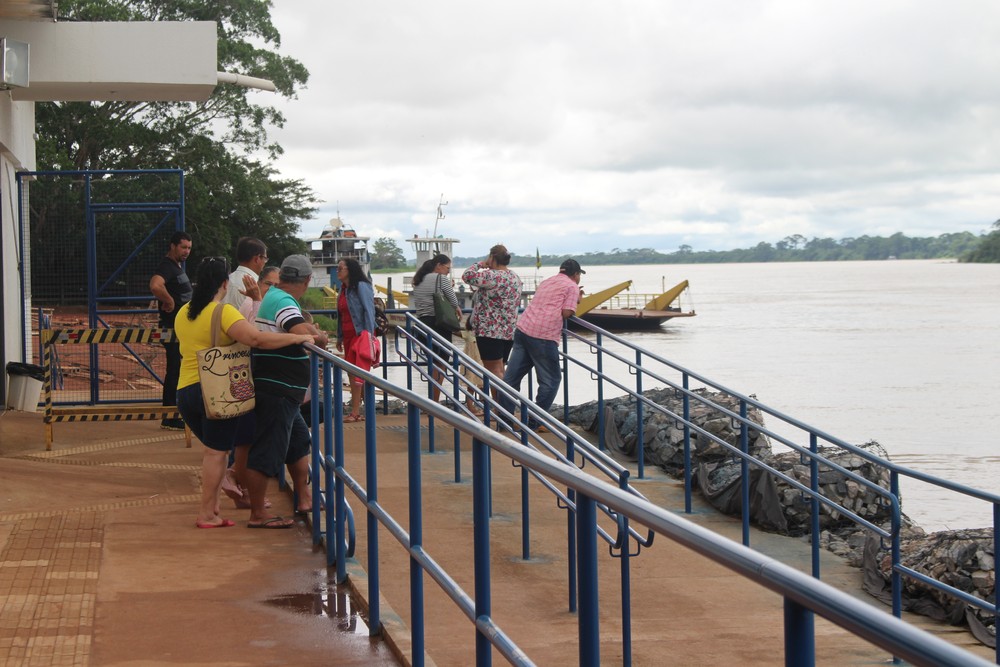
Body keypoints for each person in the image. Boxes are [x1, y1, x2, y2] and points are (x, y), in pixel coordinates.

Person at [173, 257, 317, 529]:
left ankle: (214, 510)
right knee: (216, 454)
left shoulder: (184, 312)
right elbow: (257, 339)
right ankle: (207, 513)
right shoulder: (223, 312)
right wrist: (298, 337)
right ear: (225, 283)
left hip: (185, 391)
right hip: (213, 392)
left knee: (217, 450)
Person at [246, 255, 329, 527]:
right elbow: (307, 334)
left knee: (297, 445)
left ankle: (305, 497)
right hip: (278, 388)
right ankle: (258, 514)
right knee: (268, 450)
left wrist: (310, 332)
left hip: (284, 390)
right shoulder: (282, 301)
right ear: (307, 280)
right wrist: (320, 335)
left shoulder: (275, 295)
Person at [501, 259, 584, 431]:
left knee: (511, 379)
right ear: (575, 275)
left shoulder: (548, 281)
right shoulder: (572, 286)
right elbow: (567, 313)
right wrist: (577, 299)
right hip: (543, 335)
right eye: (579, 275)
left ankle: (504, 420)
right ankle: (533, 422)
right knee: (551, 380)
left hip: (523, 329)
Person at [461, 244, 523, 386]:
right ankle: (504, 404)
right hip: (508, 330)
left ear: (493, 257)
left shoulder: (491, 276)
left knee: (493, 371)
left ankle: (501, 405)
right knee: (500, 368)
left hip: (489, 331)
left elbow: (467, 275)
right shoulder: (514, 277)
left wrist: (480, 264)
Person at [149, 231, 192, 430]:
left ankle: (174, 413)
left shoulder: (176, 267)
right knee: (174, 370)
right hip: (172, 329)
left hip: (181, 329)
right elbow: (156, 285)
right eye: (183, 247)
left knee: (178, 370)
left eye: (189, 248)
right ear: (173, 246)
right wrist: (169, 300)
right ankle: (169, 415)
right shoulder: (166, 266)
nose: (186, 251)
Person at [410, 254, 462, 404]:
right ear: (439, 265)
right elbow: (452, 300)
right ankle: (434, 402)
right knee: (440, 365)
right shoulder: (440, 279)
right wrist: (457, 308)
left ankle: (432, 401)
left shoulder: (418, 280)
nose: (447, 272)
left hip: (422, 324)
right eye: (447, 268)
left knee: (432, 363)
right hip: (438, 325)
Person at [335, 258, 377, 421]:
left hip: (359, 335)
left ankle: (355, 413)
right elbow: (341, 314)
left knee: (356, 373)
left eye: (340, 268)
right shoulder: (343, 289)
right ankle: (365, 410)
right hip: (347, 336)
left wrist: (368, 335)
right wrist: (339, 336)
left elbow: (368, 310)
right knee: (355, 372)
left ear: (350, 270)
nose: (337, 271)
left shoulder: (360, 286)